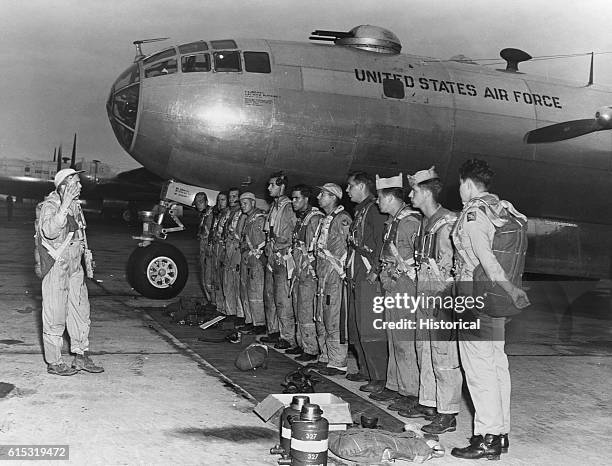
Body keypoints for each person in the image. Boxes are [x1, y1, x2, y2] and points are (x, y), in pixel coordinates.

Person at [450, 159, 530, 460]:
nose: (459, 189)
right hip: (495, 302)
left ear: (468, 183)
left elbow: (485, 258)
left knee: (478, 370)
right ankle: (501, 432)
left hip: (477, 297)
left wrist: (509, 288)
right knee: (497, 366)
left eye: (460, 184)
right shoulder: (503, 207)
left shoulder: (473, 212)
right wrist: (508, 291)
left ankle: (487, 438)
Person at [404, 167, 463, 434]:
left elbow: (453, 271)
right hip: (424, 299)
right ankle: (430, 402)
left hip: (441, 302)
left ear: (426, 192)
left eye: (414, 190)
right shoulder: (426, 224)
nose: (409, 194)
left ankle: (448, 413)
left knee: (443, 356)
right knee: (424, 351)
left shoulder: (447, 224)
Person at [35, 168, 104, 376]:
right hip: (57, 265)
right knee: (55, 314)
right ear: (65, 185)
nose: (81, 185)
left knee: (80, 311)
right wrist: (64, 205)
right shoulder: (49, 206)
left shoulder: (76, 206)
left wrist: (87, 255)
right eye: (77, 182)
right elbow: (49, 231)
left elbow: (80, 232)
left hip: (76, 266)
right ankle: (54, 362)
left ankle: (80, 356)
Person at [373, 174, 421, 406]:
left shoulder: (410, 222)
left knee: (404, 341)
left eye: (380, 198)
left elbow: (418, 257)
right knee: (393, 338)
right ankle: (395, 385)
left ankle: (411, 391)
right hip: (391, 283)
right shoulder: (393, 222)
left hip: (404, 286)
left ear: (391, 198)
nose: (377, 202)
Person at [345, 171, 388, 392]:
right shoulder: (361, 210)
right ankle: (365, 369)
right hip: (357, 276)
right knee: (356, 325)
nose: (347, 191)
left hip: (369, 276)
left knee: (371, 327)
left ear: (361, 186)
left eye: (350, 186)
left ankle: (379, 376)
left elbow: (383, 243)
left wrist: (377, 271)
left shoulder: (374, 210)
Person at [312, 183, 352, 376]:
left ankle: (337, 361)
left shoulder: (342, 219)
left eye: (323, 194)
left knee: (333, 317)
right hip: (323, 272)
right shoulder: (326, 219)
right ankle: (326, 356)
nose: (319, 196)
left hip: (334, 274)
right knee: (321, 315)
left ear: (333, 197)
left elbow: (347, 248)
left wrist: (340, 270)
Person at [260, 172, 297, 349]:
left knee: (283, 299)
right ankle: (273, 331)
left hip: (282, 257)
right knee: (270, 296)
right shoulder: (274, 207)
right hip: (272, 257)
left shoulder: (289, 208)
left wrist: (278, 246)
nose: (269, 188)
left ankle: (287, 336)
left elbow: (291, 235)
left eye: (272, 185)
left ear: (282, 186)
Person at [288, 184, 324, 361]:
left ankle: (311, 349)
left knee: (306, 310)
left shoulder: (314, 219)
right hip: (299, 270)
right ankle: (301, 343)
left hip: (308, 272)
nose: (294, 201)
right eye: (293, 198)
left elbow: (314, 249)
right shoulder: (303, 218)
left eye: (297, 198)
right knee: (298, 307)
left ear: (306, 199)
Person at [238, 192, 267, 335]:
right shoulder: (248, 219)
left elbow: (263, 241)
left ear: (253, 203)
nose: (243, 206)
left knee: (256, 292)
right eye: (241, 203)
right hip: (248, 259)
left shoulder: (259, 219)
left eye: (246, 203)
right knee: (247, 292)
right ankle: (250, 321)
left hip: (256, 261)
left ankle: (260, 323)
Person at [222, 188, 245, 326]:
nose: (231, 199)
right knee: (228, 281)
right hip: (228, 247)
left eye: (234, 196)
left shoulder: (242, 213)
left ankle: (240, 314)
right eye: (230, 196)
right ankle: (230, 311)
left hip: (236, 248)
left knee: (237, 283)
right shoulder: (230, 212)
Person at [193, 192, 214, 302]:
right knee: (204, 278)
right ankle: (209, 301)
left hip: (208, 251)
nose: (198, 205)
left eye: (200, 202)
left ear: (206, 202)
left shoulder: (211, 214)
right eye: (196, 203)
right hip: (203, 250)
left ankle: (213, 302)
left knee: (209, 278)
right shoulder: (203, 215)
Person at [211, 192, 229, 313]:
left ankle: (225, 308)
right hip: (216, 247)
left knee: (224, 279)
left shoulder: (229, 214)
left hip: (223, 249)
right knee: (216, 278)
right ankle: (219, 306)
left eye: (223, 200)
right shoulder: (220, 214)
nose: (220, 203)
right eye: (219, 200)